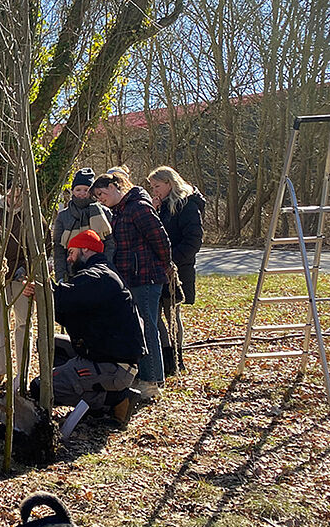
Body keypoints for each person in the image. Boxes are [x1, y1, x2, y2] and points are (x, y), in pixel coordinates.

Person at [24, 230, 146, 425]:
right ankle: (93, 391)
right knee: (49, 344)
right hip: (103, 354)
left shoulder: (98, 277)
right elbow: (69, 310)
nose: (69, 259)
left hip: (113, 365)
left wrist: (43, 289)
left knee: (40, 388)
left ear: (85, 249)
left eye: (72, 252)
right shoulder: (102, 274)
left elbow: (65, 298)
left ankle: (113, 400)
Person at [91, 170, 172, 401]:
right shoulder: (117, 212)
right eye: (97, 196)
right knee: (138, 328)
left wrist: (165, 266)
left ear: (116, 187)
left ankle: (153, 380)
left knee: (147, 328)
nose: (100, 198)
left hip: (146, 278)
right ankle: (143, 376)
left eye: (102, 192)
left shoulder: (137, 207)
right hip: (129, 278)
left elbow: (160, 239)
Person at [147, 165, 205, 375]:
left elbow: (193, 240)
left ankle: (177, 357)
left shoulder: (188, 206)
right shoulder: (159, 206)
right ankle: (166, 355)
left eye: (157, 186)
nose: (154, 191)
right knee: (154, 314)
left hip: (177, 269)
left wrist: (171, 261)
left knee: (172, 314)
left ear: (170, 183)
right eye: (152, 187)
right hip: (157, 269)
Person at [0, 184, 34, 385]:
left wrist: (27, 274)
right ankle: (1, 370)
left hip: (22, 278)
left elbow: (42, 249)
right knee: (0, 325)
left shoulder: (31, 217)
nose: (13, 198)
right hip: (0, 277)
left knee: (23, 325)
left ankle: (23, 374)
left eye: (18, 195)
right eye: (11, 193)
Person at [52, 167, 115, 282]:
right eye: (78, 189)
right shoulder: (63, 216)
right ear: (72, 191)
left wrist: (107, 267)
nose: (82, 193)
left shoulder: (104, 212)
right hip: (71, 272)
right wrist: (60, 276)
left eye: (86, 190)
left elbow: (110, 242)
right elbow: (59, 248)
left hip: (99, 272)